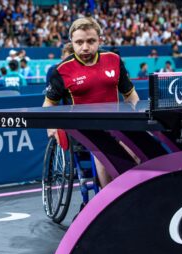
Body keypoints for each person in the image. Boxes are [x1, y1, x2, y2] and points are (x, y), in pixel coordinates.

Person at [42, 17, 139, 189]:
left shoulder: (114, 60)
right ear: (71, 42)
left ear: (100, 40)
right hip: (84, 131)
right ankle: (110, 200)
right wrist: (52, 128)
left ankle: (132, 192)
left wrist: (139, 121)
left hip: (117, 125)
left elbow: (131, 96)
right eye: (79, 42)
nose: (85, 47)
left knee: (138, 150)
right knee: (105, 155)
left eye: (91, 41)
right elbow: (49, 104)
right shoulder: (62, 70)